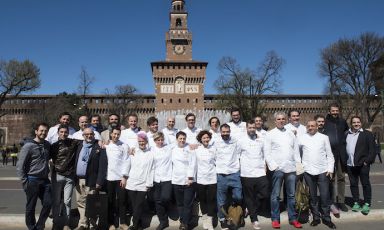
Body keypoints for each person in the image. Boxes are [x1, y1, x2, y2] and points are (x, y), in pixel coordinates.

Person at [264, 112, 302, 229]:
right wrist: (274, 166)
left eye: (283, 119)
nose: (281, 121)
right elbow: (267, 152)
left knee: (291, 195)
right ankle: (275, 219)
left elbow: (296, 151)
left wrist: (299, 166)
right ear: (275, 121)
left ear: (286, 120)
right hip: (278, 169)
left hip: (291, 169)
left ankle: (293, 218)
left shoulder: (291, 133)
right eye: (278, 119)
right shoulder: (270, 134)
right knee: (275, 195)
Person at [298, 120, 336, 229]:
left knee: (324, 196)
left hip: (323, 171)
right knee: (312, 197)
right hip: (308, 171)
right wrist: (301, 168)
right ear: (306, 127)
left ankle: (327, 218)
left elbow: (329, 154)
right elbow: (297, 154)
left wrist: (330, 169)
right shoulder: (301, 138)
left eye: (313, 126)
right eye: (309, 126)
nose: (310, 127)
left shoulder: (324, 138)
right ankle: (315, 218)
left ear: (317, 127)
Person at [16, 122, 52, 230]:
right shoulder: (28, 146)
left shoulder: (47, 145)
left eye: (45, 131)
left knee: (48, 203)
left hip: (45, 181)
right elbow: (20, 165)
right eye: (41, 130)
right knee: (31, 206)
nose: (43, 133)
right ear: (36, 131)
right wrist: (25, 182)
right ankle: (31, 227)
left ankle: (40, 226)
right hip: (32, 180)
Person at [238, 120, 270, 230]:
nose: (252, 129)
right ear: (246, 128)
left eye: (253, 127)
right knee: (249, 196)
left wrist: (266, 164)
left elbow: (266, 153)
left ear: (255, 128)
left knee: (265, 193)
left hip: (260, 172)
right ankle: (254, 219)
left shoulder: (261, 138)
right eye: (249, 127)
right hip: (246, 173)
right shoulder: (241, 140)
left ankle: (250, 208)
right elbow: (237, 155)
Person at [74, 128, 108, 230]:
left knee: (92, 203)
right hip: (79, 179)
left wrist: (99, 181)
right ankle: (83, 224)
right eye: (86, 134)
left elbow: (103, 166)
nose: (89, 136)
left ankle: (93, 224)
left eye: (91, 134)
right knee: (81, 202)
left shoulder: (99, 147)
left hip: (92, 180)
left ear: (94, 135)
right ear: (83, 136)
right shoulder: (78, 146)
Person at [50, 124, 80, 230]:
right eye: (61, 132)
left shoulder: (73, 142)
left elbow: (86, 140)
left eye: (65, 132)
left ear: (68, 133)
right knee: (56, 201)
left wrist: (99, 141)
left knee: (67, 201)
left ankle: (66, 223)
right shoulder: (53, 146)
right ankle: (56, 222)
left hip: (69, 177)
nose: (63, 134)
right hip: (57, 176)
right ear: (58, 133)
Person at [214, 124, 242, 230]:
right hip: (221, 175)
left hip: (234, 173)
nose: (225, 134)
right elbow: (213, 155)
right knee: (221, 200)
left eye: (227, 132)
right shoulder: (216, 142)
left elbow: (239, 153)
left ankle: (233, 212)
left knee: (238, 196)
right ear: (220, 132)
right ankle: (222, 220)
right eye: (223, 132)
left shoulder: (235, 141)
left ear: (230, 131)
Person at [346, 116, 376, 215]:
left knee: (365, 184)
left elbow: (372, 150)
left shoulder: (367, 134)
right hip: (350, 164)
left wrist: (367, 161)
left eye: (358, 122)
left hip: (363, 164)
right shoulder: (347, 133)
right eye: (354, 122)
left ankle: (367, 203)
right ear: (351, 123)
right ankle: (356, 202)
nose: (356, 124)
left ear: (361, 123)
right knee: (353, 184)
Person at [125, 131, 154, 230]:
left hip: (143, 184)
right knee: (135, 206)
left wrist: (149, 183)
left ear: (146, 141)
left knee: (139, 204)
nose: (142, 143)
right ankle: (139, 223)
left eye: (143, 141)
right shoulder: (133, 152)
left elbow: (151, 169)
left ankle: (134, 225)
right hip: (131, 183)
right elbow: (127, 165)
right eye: (140, 141)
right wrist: (124, 178)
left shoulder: (150, 154)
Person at [323, 103, 349, 213]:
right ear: (329, 111)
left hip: (341, 153)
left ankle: (341, 201)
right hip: (329, 154)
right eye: (333, 111)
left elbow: (347, 132)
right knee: (330, 179)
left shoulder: (342, 122)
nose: (335, 112)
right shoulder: (325, 122)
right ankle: (332, 201)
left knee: (341, 178)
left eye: (336, 110)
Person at [105, 127, 130, 230]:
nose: (116, 136)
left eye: (118, 134)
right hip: (109, 177)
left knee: (122, 200)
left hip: (120, 178)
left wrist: (124, 177)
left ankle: (122, 222)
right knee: (110, 201)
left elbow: (126, 161)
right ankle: (110, 223)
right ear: (111, 134)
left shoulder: (124, 145)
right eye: (114, 134)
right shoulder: (106, 145)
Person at [171, 131, 197, 230]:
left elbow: (193, 163)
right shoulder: (172, 149)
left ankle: (184, 223)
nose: (182, 140)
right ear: (177, 139)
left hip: (188, 180)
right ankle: (183, 220)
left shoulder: (190, 149)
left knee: (187, 203)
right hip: (176, 180)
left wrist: (190, 177)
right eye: (180, 138)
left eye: (184, 138)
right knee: (180, 203)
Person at [195, 130, 216, 230]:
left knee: (211, 200)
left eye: (207, 137)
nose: (206, 139)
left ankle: (210, 221)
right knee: (203, 200)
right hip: (201, 179)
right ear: (200, 139)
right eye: (204, 138)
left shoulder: (214, 149)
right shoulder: (197, 150)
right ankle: (204, 219)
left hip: (212, 178)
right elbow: (194, 165)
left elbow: (217, 162)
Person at [152, 132, 173, 230]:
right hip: (156, 178)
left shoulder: (169, 148)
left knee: (165, 197)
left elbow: (182, 143)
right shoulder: (151, 149)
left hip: (167, 177)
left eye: (161, 140)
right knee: (157, 200)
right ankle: (163, 221)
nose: (160, 142)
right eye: (158, 140)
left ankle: (168, 211)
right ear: (155, 141)